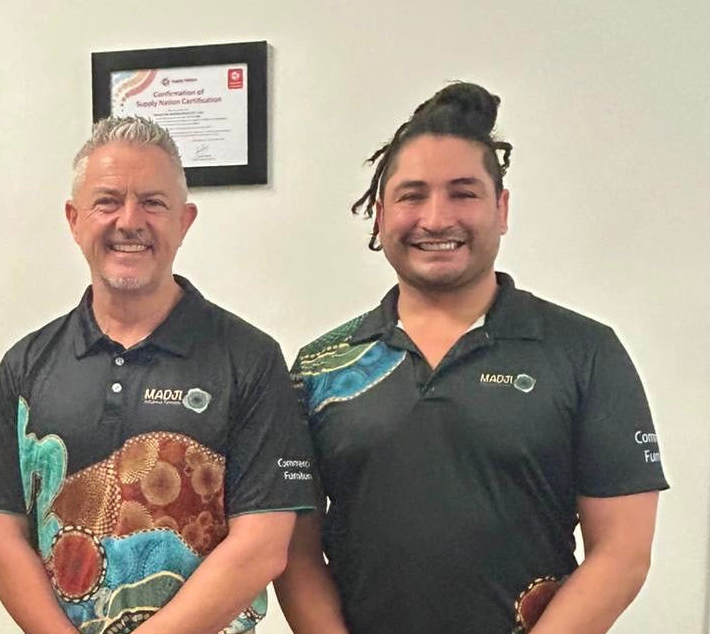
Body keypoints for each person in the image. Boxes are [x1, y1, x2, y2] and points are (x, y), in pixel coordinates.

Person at [274, 82, 668, 634]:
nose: (436, 219)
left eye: (463, 193)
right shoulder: (321, 366)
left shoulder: (585, 352)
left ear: (501, 208)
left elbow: (622, 553)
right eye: (412, 196)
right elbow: (293, 551)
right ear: (380, 215)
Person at [0, 115, 315, 633]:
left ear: (185, 221)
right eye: (107, 201)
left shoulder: (250, 359)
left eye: (153, 203)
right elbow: (0, 535)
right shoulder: (25, 365)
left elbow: (262, 546)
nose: (129, 221)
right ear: (74, 220)